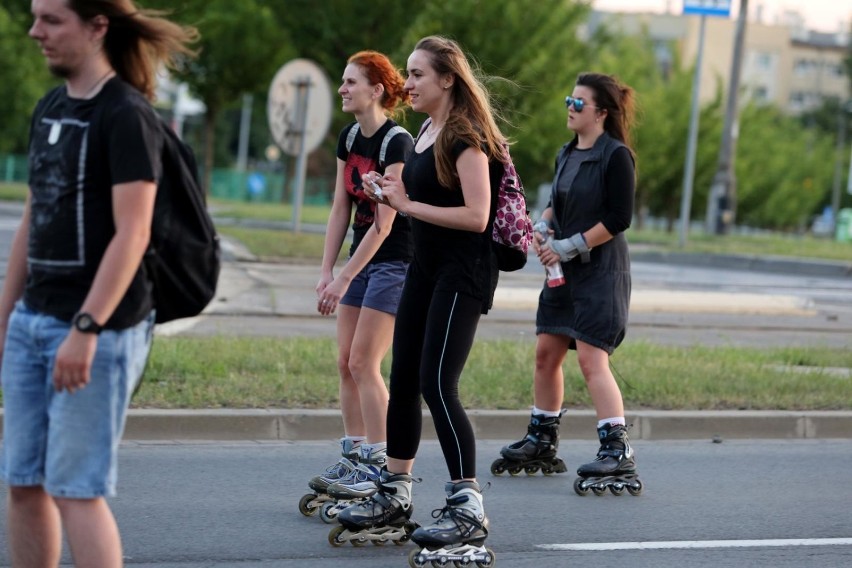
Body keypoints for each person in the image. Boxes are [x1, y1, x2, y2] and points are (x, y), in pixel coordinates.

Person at [0, 1, 197, 566]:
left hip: (99, 330)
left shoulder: (125, 115)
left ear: (97, 27)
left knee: (75, 491)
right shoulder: (51, 108)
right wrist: (6, 316)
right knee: (22, 482)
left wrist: (85, 329)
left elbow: (133, 234)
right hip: (32, 321)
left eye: (51, 19)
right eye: (35, 16)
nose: (35, 31)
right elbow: (31, 224)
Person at [333, 36, 502, 565]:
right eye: (407, 73)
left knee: (436, 383)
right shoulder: (425, 133)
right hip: (425, 271)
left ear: (447, 79)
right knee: (403, 378)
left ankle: (467, 503)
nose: (408, 84)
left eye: (418, 74)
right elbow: (417, 203)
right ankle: (396, 491)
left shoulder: (466, 137)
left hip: (463, 273)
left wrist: (407, 204)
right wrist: (392, 197)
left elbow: (477, 216)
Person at [500, 72, 643, 496]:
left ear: (601, 112)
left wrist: (569, 246)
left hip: (600, 273)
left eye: (579, 102)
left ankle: (616, 448)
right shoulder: (567, 153)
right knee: (546, 353)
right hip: (562, 273)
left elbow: (619, 218)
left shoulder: (616, 156)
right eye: (569, 99)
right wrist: (543, 230)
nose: (570, 107)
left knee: (591, 360)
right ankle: (542, 437)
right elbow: (554, 205)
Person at [304, 50, 414, 512]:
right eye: (343, 81)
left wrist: (343, 279)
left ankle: (379, 465)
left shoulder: (396, 142)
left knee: (366, 362)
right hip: (359, 258)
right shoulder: (350, 136)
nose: (343, 89)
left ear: (377, 90)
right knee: (345, 362)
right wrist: (328, 271)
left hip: (395, 262)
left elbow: (385, 224)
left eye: (351, 82)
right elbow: (339, 208)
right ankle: (354, 457)